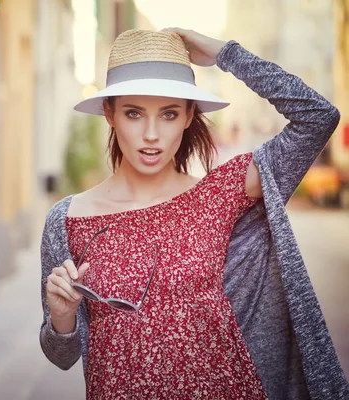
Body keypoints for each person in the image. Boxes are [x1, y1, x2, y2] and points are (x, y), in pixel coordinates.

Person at [39, 28, 349, 399]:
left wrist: (226, 53)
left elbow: (318, 117)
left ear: (188, 116)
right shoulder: (66, 219)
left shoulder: (218, 194)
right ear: (109, 113)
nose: (151, 134)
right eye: (134, 113)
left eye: (168, 114)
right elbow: (61, 356)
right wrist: (61, 318)